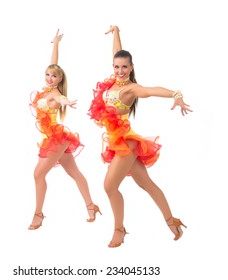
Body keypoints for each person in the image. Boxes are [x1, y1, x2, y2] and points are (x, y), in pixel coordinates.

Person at [88, 25, 193, 247]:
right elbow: (117, 51)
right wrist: (116, 32)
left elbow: (152, 90)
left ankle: (119, 230)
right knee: (146, 184)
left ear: (131, 67)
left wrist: (176, 94)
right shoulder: (113, 81)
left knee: (109, 186)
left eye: (124, 67)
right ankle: (171, 221)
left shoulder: (131, 89)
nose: (119, 71)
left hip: (125, 142)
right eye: (116, 67)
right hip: (118, 142)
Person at [28, 29, 101, 230]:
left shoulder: (55, 94)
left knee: (38, 175)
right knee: (74, 173)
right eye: (47, 74)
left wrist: (66, 101)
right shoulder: (47, 90)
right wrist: (56, 44)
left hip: (56, 139)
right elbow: (55, 64)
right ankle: (91, 205)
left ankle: (38, 214)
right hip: (55, 137)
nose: (50, 78)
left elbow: (60, 98)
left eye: (54, 76)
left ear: (60, 80)